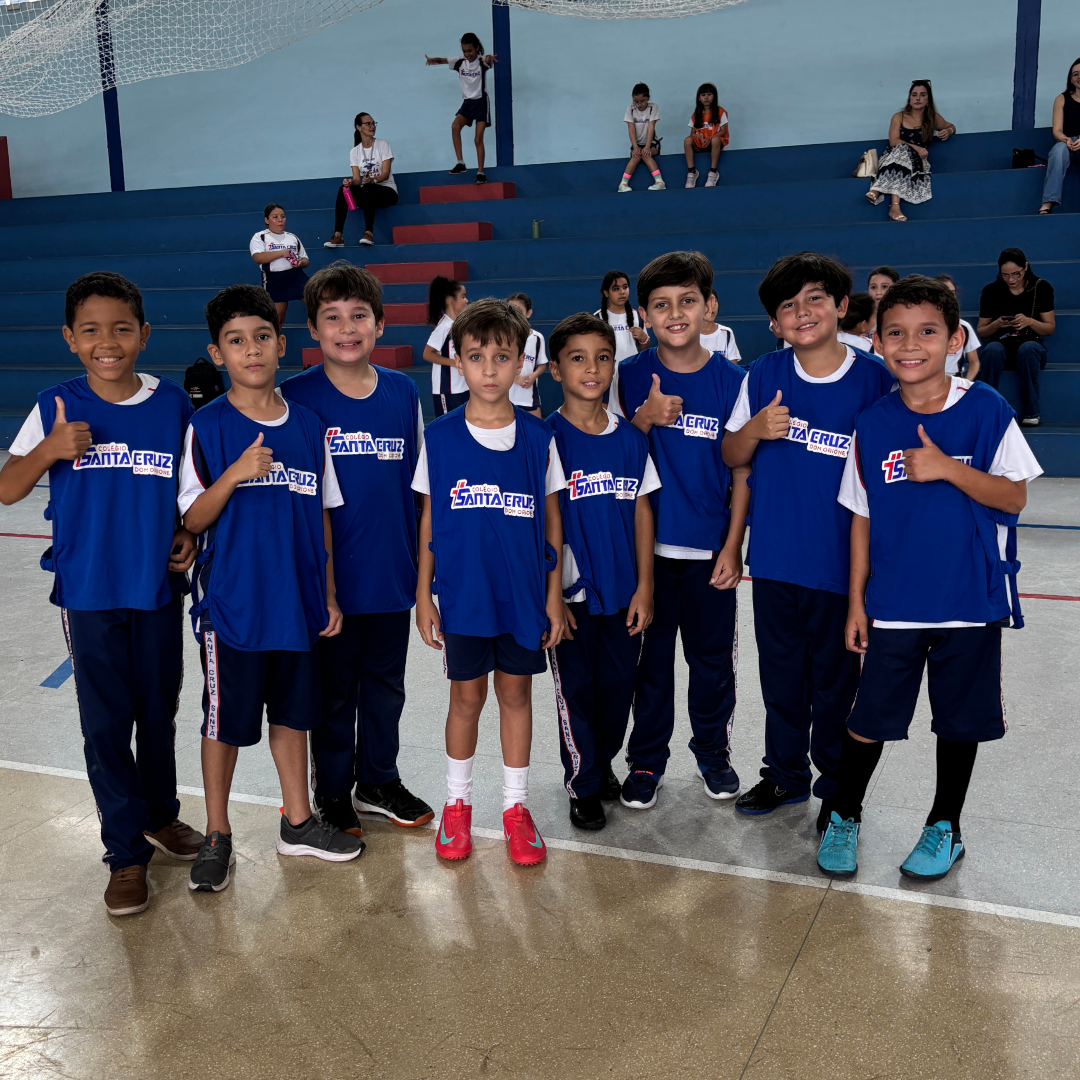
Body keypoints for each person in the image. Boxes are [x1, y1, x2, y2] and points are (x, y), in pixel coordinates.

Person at [818, 275, 1042, 880]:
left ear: (954, 339)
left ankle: (945, 825)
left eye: (926, 332)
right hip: (894, 603)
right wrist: (857, 602)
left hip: (969, 600)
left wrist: (946, 468)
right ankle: (844, 813)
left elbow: (1014, 497)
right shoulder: (872, 424)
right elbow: (861, 517)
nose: (910, 345)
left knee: (959, 723)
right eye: (895, 333)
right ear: (876, 341)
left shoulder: (987, 410)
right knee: (868, 720)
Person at [0, 272, 203, 917]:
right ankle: (124, 853)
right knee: (106, 722)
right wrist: (50, 450)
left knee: (159, 710)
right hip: (88, 591)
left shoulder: (173, 404)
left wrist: (189, 535)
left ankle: (159, 815)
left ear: (144, 334)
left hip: (156, 587)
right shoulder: (55, 405)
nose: (107, 342)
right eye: (90, 330)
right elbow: (7, 487)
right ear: (70, 338)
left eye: (121, 329)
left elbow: (191, 490)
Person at [179, 284, 363, 893]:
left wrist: (328, 594)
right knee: (224, 722)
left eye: (262, 337)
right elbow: (193, 518)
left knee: (292, 716)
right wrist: (235, 473)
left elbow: (324, 516)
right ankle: (217, 833)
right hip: (233, 607)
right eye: (236, 341)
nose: (251, 349)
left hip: (297, 604)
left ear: (282, 344)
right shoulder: (206, 426)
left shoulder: (309, 426)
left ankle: (298, 822)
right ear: (218, 353)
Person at [721, 253, 894, 828]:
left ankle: (837, 784)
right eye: (788, 305)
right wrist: (754, 429)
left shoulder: (875, 380)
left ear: (842, 306)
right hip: (774, 560)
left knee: (836, 683)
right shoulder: (763, 375)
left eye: (815, 298)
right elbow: (732, 454)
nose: (803, 312)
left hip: (841, 565)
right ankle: (785, 774)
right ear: (774, 322)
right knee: (781, 679)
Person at [413, 298, 568, 866]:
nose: (489, 368)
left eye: (502, 357)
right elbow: (429, 517)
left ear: (521, 361)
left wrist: (554, 595)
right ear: (458, 361)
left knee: (516, 696)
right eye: (476, 356)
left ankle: (515, 808)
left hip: (522, 594)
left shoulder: (538, 437)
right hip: (465, 595)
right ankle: (457, 805)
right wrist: (423, 593)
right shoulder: (440, 436)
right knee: (466, 698)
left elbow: (553, 519)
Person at [280, 262, 433, 837]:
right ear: (312, 330)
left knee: (386, 687)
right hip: (329, 581)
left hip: (390, 570)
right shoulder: (295, 396)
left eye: (359, 316)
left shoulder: (402, 392)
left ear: (380, 324)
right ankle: (332, 791)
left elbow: (418, 488)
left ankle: (378, 779)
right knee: (335, 691)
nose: (347, 328)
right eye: (332, 317)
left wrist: (422, 571)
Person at [611, 251, 749, 810]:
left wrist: (733, 545)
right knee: (650, 665)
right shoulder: (625, 376)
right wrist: (643, 418)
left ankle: (713, 752)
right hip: (644, 554)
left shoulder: (733, 381)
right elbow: (609, 456)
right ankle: (646, 759)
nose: (675, 314)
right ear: (644, 315)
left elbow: (742, 471)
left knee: (712, 663)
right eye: (661, 305)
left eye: (687, 301)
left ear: (709, 306)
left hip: (709, 549)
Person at [546, 312, 659, 831]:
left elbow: (642, 511)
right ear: (555, 370)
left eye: (603, 357)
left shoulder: (631, 439)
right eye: (578, 358)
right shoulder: (544, 439)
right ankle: (583, 782)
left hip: (622, 590)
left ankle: (603, 761)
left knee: (617, 687)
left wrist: (645, 586)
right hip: (570, 596)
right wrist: (549, 595)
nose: (592, 368)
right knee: (576, 693)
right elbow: (540, 525)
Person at [976, 248, 1056, 426]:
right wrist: (996, 324)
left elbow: (1049, 328)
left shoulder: (1040, 288)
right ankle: (987, 408)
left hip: (1031, 347)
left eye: (1016, 274)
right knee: (992, 349)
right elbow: (981, 331)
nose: (1010, 279)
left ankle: (1032, 411)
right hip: (1001, 345)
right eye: (1005, 275)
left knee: (1027, 349)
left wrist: (1029, 322)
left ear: (1025, 267)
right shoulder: (991, 291)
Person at [866, 80, 955, 222]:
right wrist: (917, 147)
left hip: (916, 162)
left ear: (928, 100)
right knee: (901, 149)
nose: (918, 98)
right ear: (909, 98)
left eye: (922, 95)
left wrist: (948, 131)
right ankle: (894, 207)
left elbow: (951, 126)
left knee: (903, 154)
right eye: (914, 95)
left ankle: (877, 190)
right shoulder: (898, 117)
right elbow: (893, 141)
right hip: (891, 158)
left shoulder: (932, 118)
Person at [425, 33, 496, 184]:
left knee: (478, 139)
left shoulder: (482, 62)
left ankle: (480, 173)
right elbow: (443, 60)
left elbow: (489, 60)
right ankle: (460, 163)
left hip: (481, 103)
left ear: (476, 48)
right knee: (455, 126)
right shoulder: (460, 62)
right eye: (464, 51)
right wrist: (432, 61)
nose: (467, 54)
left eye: (470, 51)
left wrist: (490, 58)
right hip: (467, 103)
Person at [323, 113, 399, 249]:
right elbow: (357, 180)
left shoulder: (383, 145)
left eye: (373, 123)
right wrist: (350, 182)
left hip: (387, 193)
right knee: (343, 188)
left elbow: (385, 174)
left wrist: (373, 180)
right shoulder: (355, 151)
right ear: (358, 127)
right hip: (368, 194)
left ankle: (369, 234)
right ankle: (338, 236)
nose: (372, 126)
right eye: (368, 124)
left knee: (368, 187)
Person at [249, 203, 309, 329]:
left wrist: (300, 262)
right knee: (278, 318)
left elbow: (305, 259)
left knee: (317, 301)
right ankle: (275, 341)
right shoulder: (260, 237)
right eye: (275, 217)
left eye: (283, 216)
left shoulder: (292, 237)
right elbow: (258, 257)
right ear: (266, 220)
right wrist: (282, 253)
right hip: (274, 279)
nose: (280, 220)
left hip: (296, 276)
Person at [423, 276, 470, 417]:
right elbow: (427, 354)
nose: (466, 300)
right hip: (448, 390)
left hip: (463, 386)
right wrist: (454, 363)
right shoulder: (444, 327)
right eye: (463, 297)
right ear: (451, 301)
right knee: (448, 425)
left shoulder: (459, 325)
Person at [1038, 57, 1080, 214]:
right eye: (1075, 74)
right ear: (1071, 78)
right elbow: (1057, 130)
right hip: (1067, 143)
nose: (1079, 77)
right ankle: (1048, 203)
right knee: (1058, 150)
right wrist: (1065, 139)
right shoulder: (1061, 99)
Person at [507, 292, 548, 417]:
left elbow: (542, 365)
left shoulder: (537, 338)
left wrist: (533, 376)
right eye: (511, 310)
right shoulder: (502, 338)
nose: (515, 315)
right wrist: (515, 378)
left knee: (536, 427)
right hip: (506, 396)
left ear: (528, 313)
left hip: (528, 397)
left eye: (519, 311)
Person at [619, 83, 665, 193]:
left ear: (648, 98)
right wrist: (635, 147)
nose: (639, 104)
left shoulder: (652, 107)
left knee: (645, 154)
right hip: (637, 143)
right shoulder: (630, 109)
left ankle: (659, 182)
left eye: (642, 101)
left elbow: (651, 127)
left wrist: (647, 147)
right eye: (636, 101)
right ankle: (623, 184)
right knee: (636, 155)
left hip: (651, 142)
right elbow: (631, 129)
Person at [595, 270, 650, 361]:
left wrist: (643, 338)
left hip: (632, 368)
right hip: (608, 369)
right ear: (606, 293)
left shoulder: (636, 316)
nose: (622, 292)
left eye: (625, 287)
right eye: (616, 289)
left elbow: (643, 348)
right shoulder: (597, 319)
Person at [934, 274, 981, 380]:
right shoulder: (921, 326)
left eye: (953, 293)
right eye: (945, 293)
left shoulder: (964, 327)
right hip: (928, 381)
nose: (951, 297)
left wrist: (965, 384)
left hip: (954, 379)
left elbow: (974, 362)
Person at [684, 81, 729, 188]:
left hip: (714, 143)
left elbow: (722, 131)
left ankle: (713, 172)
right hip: (701, 144)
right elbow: (692, 133)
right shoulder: (696, 114)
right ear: (699, 98)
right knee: (687, 140)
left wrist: (709, 138)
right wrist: (698, 137)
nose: (706, 97)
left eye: (709, 94)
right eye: (703, 95)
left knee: (715, 140)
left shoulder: (721, 111)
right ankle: (692, 172)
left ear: (714, 96)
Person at [700, 287, 742, 361]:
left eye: (714, 301)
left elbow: (732, 366)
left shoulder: (726, 332)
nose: (711, 306)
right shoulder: (687, 334)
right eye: (706, 302)